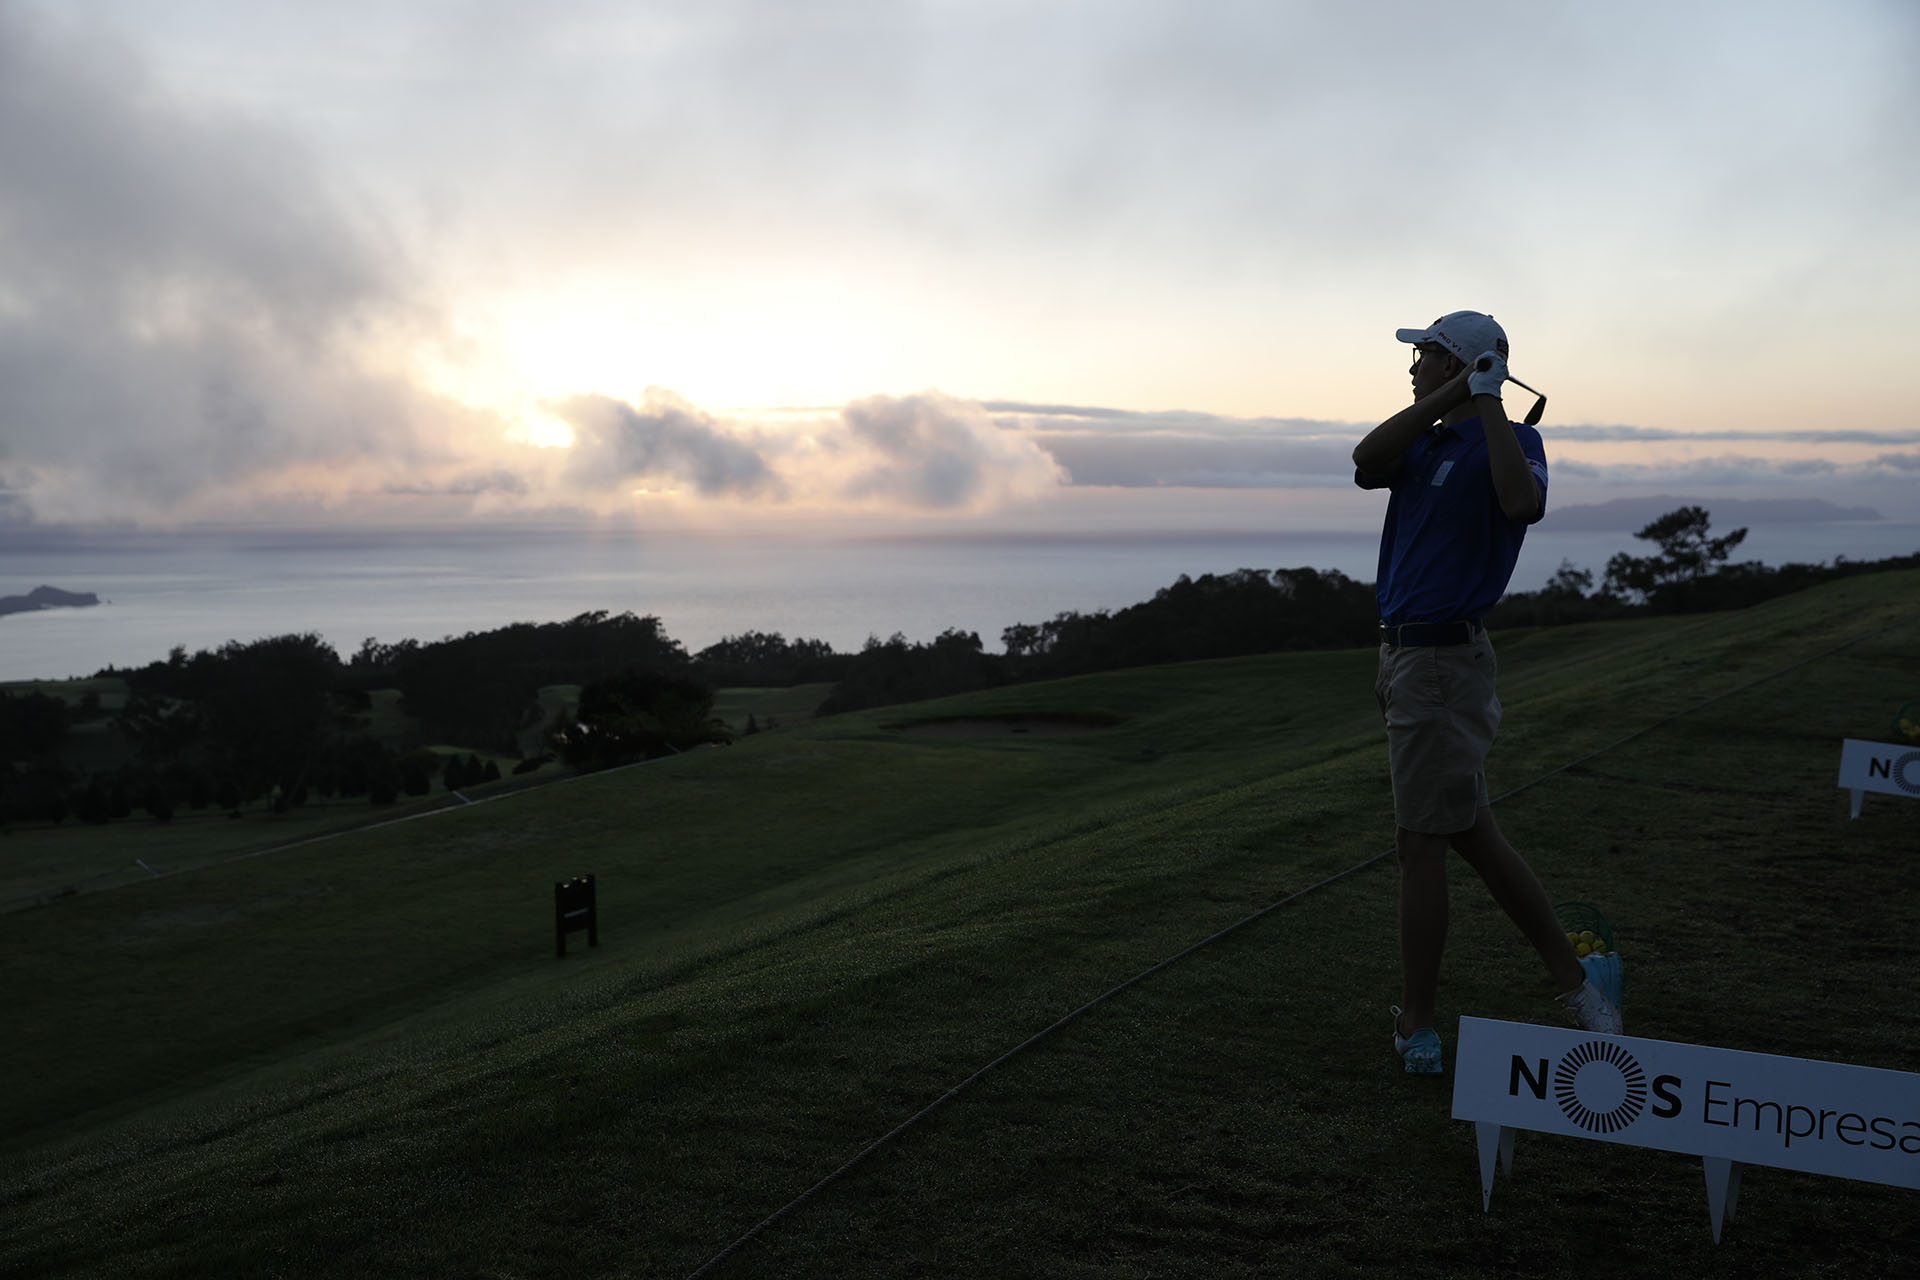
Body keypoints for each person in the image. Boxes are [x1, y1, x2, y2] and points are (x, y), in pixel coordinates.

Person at [1351, 310, 1621, 1075]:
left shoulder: (1516, 442)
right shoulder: (1428, 440)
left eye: (1424, 356)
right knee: (1472, 832)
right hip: (1405, 659)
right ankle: (1578, 983)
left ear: (1454, 361)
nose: (1411, 368)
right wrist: (1452, 398)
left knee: (1419, 846)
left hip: (1442, 666)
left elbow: (1519, 504)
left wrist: (1490, 400)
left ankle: (1419, 1026)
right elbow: (1366, 460)